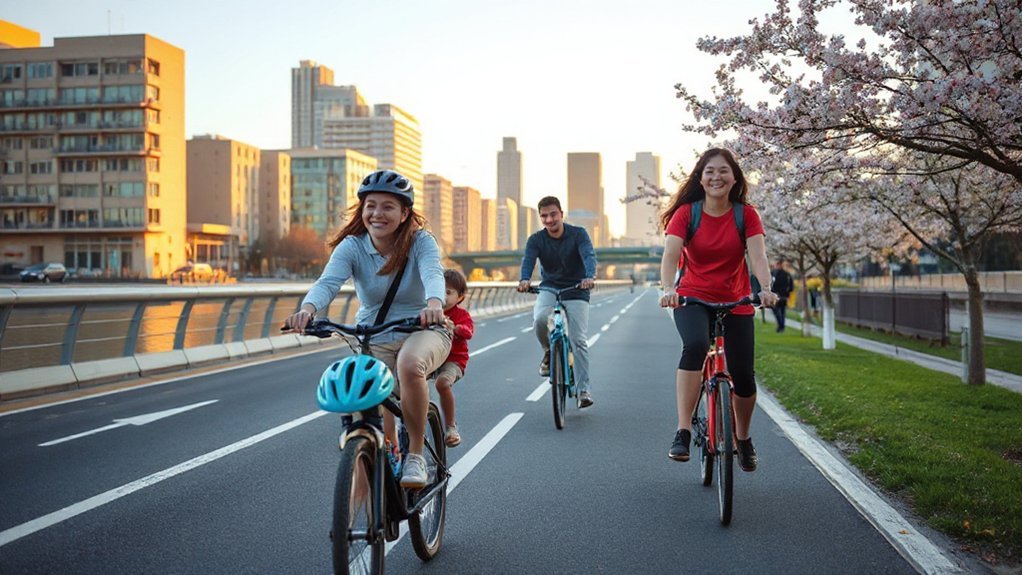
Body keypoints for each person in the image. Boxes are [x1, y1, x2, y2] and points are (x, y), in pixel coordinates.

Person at [283, 169, 451, 489]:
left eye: (388, 206)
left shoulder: (421, 242)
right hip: (374, 335)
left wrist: (433, 304)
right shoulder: (352, 247)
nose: (377, 213)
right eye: (370, 205)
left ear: (404, 213)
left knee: (409, 365)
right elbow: (328, 283)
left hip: (424, 328)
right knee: (362, 397)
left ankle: (416, 455)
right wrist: (306, 311)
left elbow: (432, 273)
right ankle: (371, 456)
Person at [657, 148, 778, 472]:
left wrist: (765, 289)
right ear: (701, 178)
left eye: (723, 171)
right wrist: (669, 289)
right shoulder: (687, 213)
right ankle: (683, 430)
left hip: (736, 299)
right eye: (709, 171)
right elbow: (670, 256)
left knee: (743, 375)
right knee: (695, 346)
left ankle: (743, 438)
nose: (716, 177)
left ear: (734, 178)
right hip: (692, 298)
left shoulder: (746, 214)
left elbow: (758, 256)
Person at [516, 196, 597, 407]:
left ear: (561, 214)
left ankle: (583, 391)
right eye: (544, 216)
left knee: (578, 340)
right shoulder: (536, 240)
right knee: (540, 319)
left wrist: (589, 276)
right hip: (549, 286)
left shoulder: (578, 234)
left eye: (553, 214)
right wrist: (525, 279)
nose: (549, 219)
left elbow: (588, 255)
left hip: (577, 288)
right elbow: (528, 260)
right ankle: (548, 352)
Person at [434, 268, 474, 447]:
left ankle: (451, 426)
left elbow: (468, 332)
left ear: (460, 297)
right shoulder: (429, 311)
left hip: (454, 361)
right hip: (432, 359)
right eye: (439, 290)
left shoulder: (461, 315)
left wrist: (456, 328)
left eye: (448, 292)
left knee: (442, 383)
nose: (443, 296)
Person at [770, 258, 794, 332]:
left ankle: (781, 326)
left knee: (781, 311)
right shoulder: (773, 273)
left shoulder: (778, 274)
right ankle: (781, 325)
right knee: (778, 310)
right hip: (779, 295)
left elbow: (790, 284)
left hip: (780, 295)